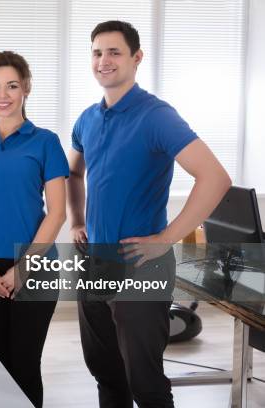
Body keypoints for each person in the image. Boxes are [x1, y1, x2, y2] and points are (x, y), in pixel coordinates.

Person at [67, 21, 231, 408]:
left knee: (145, 383)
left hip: (142, 265)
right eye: (97, 52)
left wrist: (167, 238)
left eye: (114, 52)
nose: (103, 61)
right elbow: (74, 172)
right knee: (106, 375)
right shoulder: (88, 118)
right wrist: (76, 220)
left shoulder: (156, 115)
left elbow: (215, 178)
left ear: (136, 58)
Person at [0, 51, 68, 408]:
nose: (2, 95)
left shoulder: (45, 141)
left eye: (12, 85)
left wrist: (23, 269)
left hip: (34, 268)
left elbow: (58, 213)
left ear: (26, 89)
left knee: (24, 364)